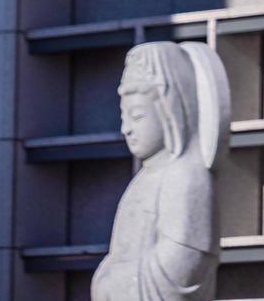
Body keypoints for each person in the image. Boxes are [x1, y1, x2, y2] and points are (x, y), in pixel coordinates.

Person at [92, 42, 229, 301]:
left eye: (138, 116)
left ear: (170, 112)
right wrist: (106, 276)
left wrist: (117, 281)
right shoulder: (142, 181)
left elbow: (183, 264)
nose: (126, 129)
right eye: (124, 118)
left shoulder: (187, 178)